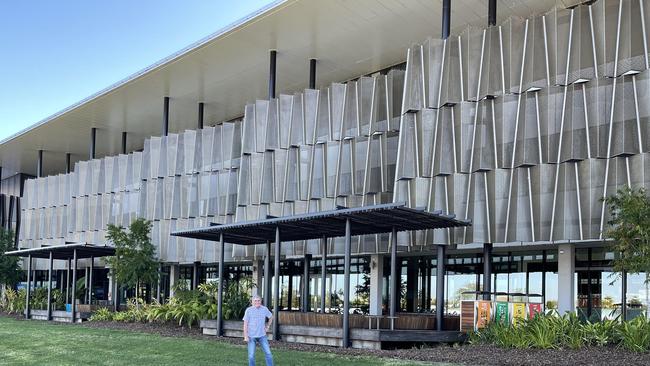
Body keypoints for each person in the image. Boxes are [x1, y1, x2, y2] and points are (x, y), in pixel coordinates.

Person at [243, 295, 274, 366]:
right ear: (252, 302)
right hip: (251, 336)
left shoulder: (264, 309)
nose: (257, 302)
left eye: (258, 300)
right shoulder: (248, 310)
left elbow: (271, 317)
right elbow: (245, 324)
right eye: (255, 301)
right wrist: (245, 336)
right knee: (251, 356)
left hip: (262, 335)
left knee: (268, 353)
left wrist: (268, 326)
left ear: (261, 301)